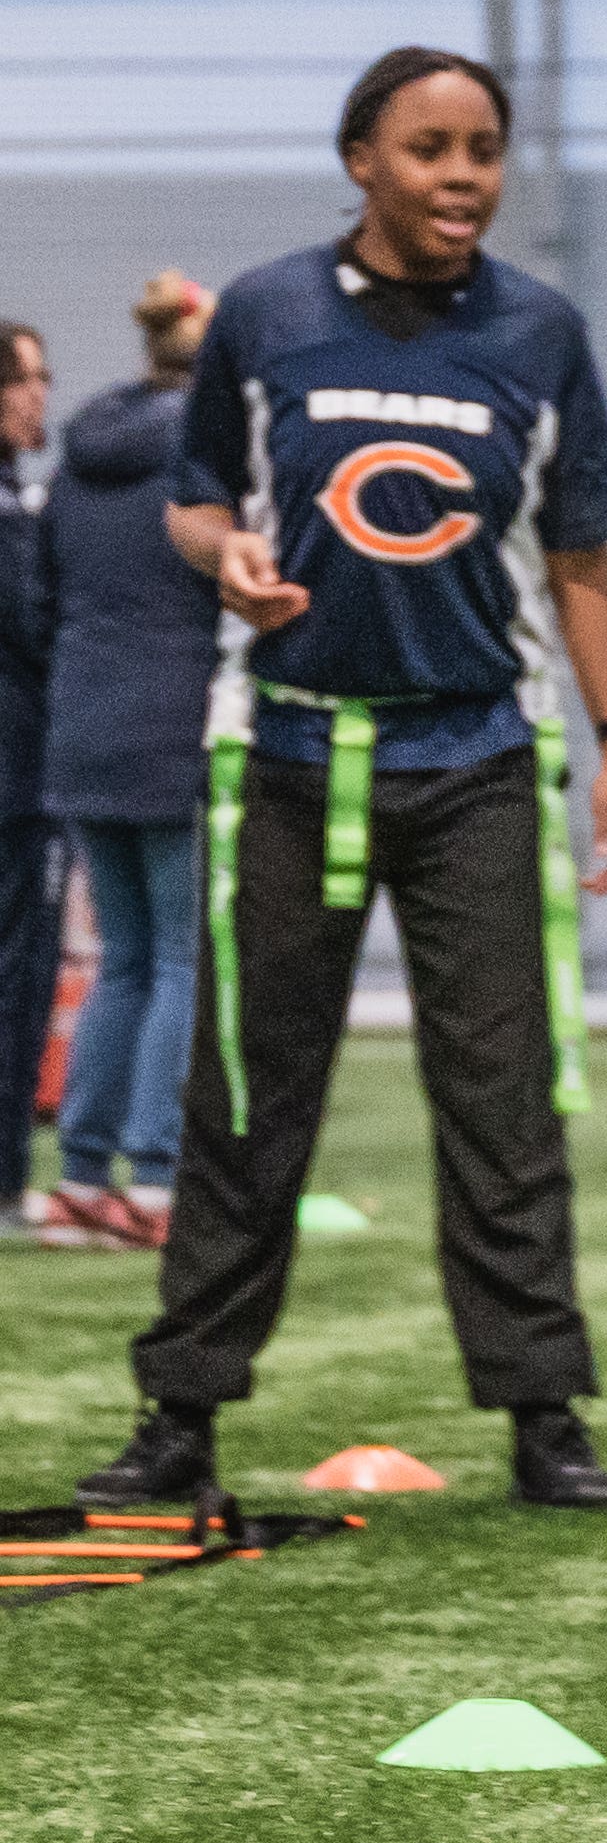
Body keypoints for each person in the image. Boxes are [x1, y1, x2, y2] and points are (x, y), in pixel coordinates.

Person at [77, 49, 607, 1513]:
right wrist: (229, 557)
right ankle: (182, 1411)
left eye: (483, 149)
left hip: (475, 763)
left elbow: (579, 556)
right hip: (284, 754)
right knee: (248, 1097)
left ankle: (543, 1409)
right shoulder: (265, 315)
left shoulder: (541, 330)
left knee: (504, 1099)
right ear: (360, 160)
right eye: (430, 148)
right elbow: (200, 499)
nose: (463, 176)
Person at [38, 275, 221, 1250]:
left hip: (81, 728)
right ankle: (154, 1183)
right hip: (173, 732)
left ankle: (77, 1178)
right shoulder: (207, 459)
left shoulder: (78, 461)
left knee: (120, 964)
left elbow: (42, 595)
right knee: (178, 959)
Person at [0, 320, 52, 1232]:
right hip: (13, 780)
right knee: (15, 974)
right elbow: (33, 623)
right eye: (27, 381)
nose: (40, 395)